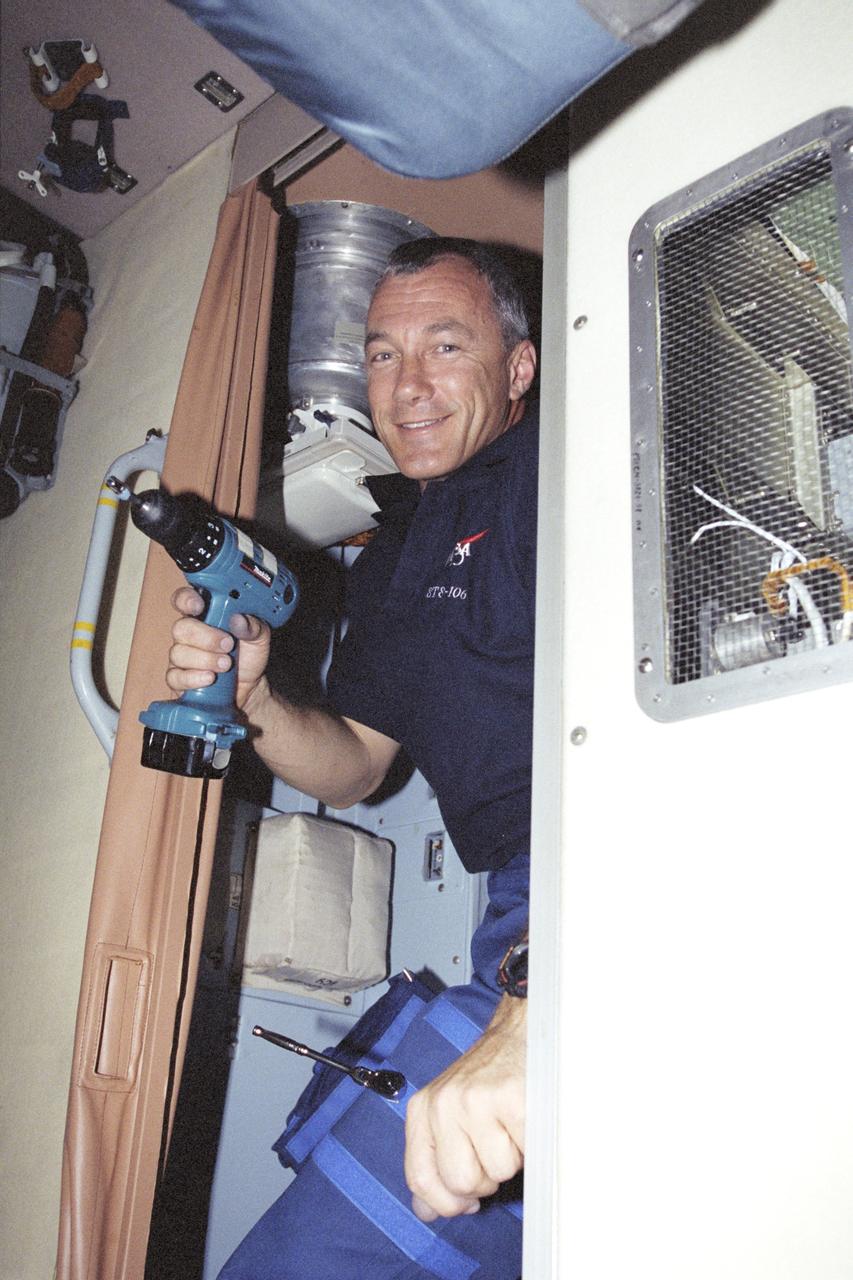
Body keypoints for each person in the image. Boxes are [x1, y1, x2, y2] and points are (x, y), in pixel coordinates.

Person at [166, 237, 537, 1277]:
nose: (406, 385)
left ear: (517, 368)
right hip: (507, 917)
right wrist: (253, 696)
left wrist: (540, 998)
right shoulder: (396, 549)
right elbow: (358, 766)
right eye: (380, 354)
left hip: (579, 886)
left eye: (444, 345)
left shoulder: (558, 470)